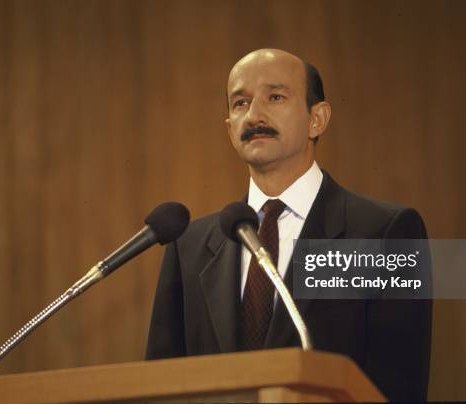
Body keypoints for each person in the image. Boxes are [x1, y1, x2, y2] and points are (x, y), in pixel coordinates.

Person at [146, 49, 431, 401]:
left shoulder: (382, 233)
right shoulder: (188, 246)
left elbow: (397, 388)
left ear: (318, 119)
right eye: (240, 103)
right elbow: (160, 386)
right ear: (230, 130)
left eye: (275, 97)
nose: (254, 115)